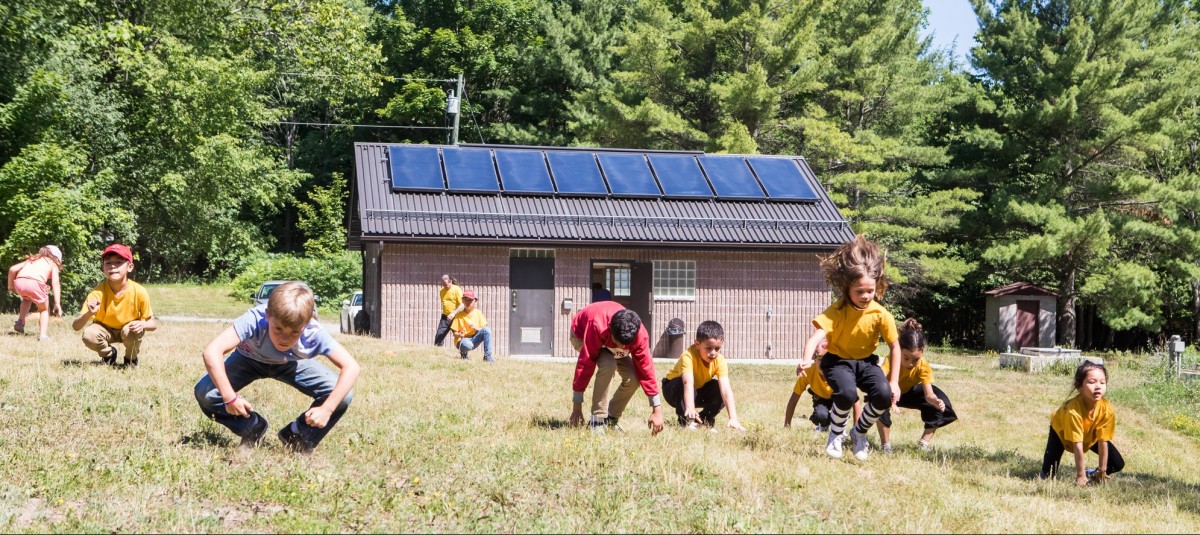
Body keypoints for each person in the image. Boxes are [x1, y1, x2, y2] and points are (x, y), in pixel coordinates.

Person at [193, 281, 360, 453]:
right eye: (278, 328)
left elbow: (351, 367)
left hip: (292, 363)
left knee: (343, 395)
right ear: (267, 315)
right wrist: (230, 398)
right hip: (248, 358)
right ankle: (252, 427)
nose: (284, 338)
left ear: (308, 322)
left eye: (295, 332)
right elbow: (212, 352)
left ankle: (297, 436)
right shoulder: (254, 318)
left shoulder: (314, 332)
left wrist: (327, 408)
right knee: (206, 393)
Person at [796, 234, 900, 461]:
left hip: (866, 362)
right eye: (859, 291)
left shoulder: (881, 314)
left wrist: (893, 383)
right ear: (847, 288)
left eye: (870, 291)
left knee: (883, 395)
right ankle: (836, 434)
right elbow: (816, 337)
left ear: (876, 287)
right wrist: (805, 359)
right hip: (838, 361)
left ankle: (859, 432)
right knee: (846, 393)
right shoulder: (838, 310)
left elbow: (895, 347)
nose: (865, 296)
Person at [568, 301, 664, 435]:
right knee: (608, 364)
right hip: (581, 333)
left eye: (625, 345)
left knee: (634, 377)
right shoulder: (598, 325)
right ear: (610, 329)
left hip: (607, 341)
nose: (621, 347)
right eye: (617, 342)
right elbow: (585, 364)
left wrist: (657, 409)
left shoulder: (640, 335)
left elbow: (646, 369)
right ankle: (597, 420)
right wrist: (576, 408)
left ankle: (611, 417)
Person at [876, 318, 957, 452]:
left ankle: (923, 443)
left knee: (941, 401)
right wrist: (891, 402)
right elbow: (878, 380)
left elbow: (929, 394)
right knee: (879, 398)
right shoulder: (891, 359)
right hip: (889, 392)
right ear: (898, 350)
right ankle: (886, 445)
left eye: (916, 359)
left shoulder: (923, 365)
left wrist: (935, 401)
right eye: (906, 358)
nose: (910, 363)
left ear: (922, 352)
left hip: (909, 392)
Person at [71, 244, 157, 367]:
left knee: (132, 330)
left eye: (119, 262)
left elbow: (153, 324)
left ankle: (130, 359)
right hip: (105, 329)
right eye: (108, 262)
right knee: (89, 334)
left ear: (130, 267)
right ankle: (109, 354)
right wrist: (89, 313)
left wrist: (143, 324)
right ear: (103, 268)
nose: (112, 266)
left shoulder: (139, 291)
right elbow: (76, 326)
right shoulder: (97, 293)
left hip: (128, 330)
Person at [1039, 361, 1123, 485]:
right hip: (1061, 433)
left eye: (1102, 382)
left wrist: (1102, 470)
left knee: (1117, 464)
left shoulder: (1107, 409)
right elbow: (1077, 444)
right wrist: (1080, 475)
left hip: (1089, 434)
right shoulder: (1073, 411)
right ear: (1079, 387)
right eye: (1092, 382)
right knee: (1048, 475)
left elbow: (1103, 441)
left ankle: (1092, 473)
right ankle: (1048, 473)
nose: (1098, 386)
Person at [662, 320, 745, 431]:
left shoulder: (719, 361)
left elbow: (725, 390)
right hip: (673, 390)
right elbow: (687, 382)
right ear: (697, 344)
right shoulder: (688, 356)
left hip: (696, 390)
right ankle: (686, 420)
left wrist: (733, 418)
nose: (713, 352)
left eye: (717, 348)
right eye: (709, 348)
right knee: (681, 383)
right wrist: (690, 407)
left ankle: (704, 419)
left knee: (717, 387)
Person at [784, 339, 862, 432]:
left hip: (838, 397)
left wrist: (857, 430)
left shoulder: (841, 372)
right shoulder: (808, 372)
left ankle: (839, 423)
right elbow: (794, 398)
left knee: (841, 410)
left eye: (829, 360)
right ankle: (824, 425)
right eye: (820, 359)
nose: (824, 364)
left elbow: (856, 402)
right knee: (821, 416)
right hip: (820, 398)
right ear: (814, 359)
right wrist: (786, 425)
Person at [7, 245, 63, 340]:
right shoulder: (52, 264)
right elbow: (55, 283)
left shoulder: (32, 259)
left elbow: (12, 269)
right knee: (44, 309)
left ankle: (20, 321)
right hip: (35, 283)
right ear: (57, 258)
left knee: (26, 298)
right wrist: (57, 303)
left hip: (20, 282)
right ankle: (43, 336)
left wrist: (11, 286)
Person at [452, 289, 494, 363]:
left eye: (470, 300)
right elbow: (455, 334)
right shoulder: (458, 316)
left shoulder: (478, 313)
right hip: (463, 340)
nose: (468, 302)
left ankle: (488, 357)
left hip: (474, 338)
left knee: (487, 330)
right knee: (467, 344)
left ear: (475, 301)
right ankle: (464, 354)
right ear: (462, 301)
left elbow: (483, 329)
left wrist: (476, 328)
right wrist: (460, 334)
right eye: (465, 300)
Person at [435, 274, 464, 346]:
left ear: (450, 281)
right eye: (443, 284)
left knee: (459, 336)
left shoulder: (457, 289)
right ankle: (437, 354)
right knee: (439, 336)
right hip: (445, 317)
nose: (444, 286)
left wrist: (453, 313)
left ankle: (464, 354)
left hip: (456, 317)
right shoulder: (442, 291)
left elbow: (462, 305)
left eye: (446, 284)